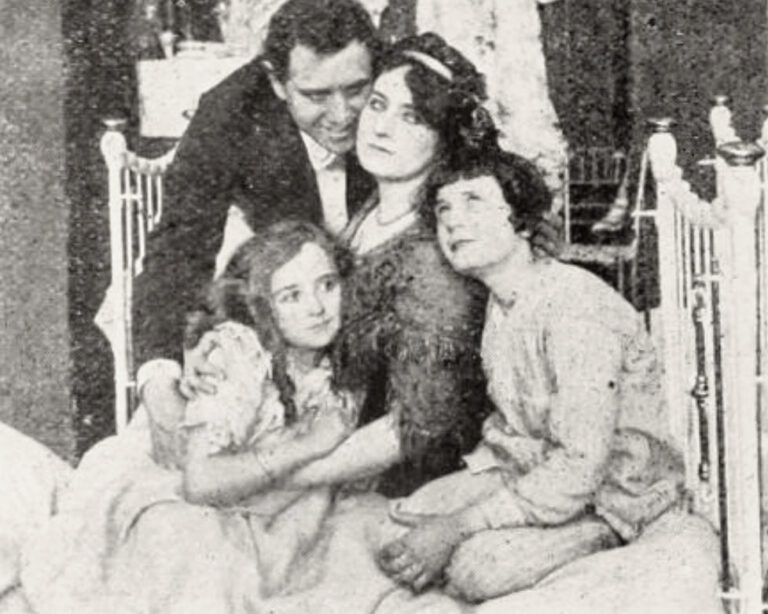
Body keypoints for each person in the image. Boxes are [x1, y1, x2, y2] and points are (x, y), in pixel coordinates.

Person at [22, 221, 395, 613]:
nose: (316, 307)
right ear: (260, 305)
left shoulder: (339, 360)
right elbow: (200, 483)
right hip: (184, 495)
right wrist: (309, 444)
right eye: (291, 296)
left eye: (328, 285)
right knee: (202, 559)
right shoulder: (237, 353)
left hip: (274, 509)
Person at [375, 147, 685, 603]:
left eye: (473, 202)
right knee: (402, 523)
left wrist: (460, 525)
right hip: (532, 473)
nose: (453, 222)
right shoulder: (503, 301)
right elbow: (516, 430)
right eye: (443, 209)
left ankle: (597, 538)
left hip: (611, 498)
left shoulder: (574, 308)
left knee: (474, 571)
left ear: (520, 221)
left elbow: (582, 464)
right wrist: (460, 507)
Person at [133, 0, 378, 366]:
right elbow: (178, 249)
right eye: (316, 96)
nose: (342, 115)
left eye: (357, 90)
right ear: (277, 82)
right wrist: (160, 370)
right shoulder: (230, 112)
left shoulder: (399, 78)